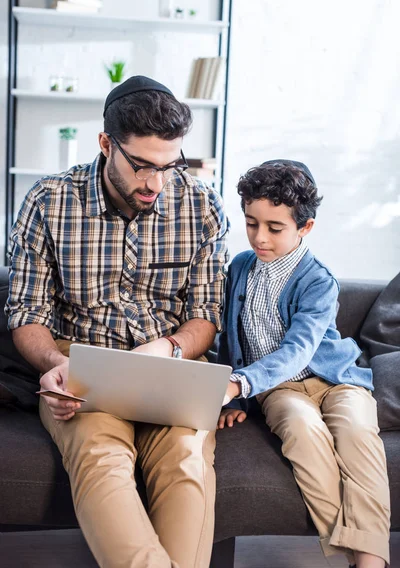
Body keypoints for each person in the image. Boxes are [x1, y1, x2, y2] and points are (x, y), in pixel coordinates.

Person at [6, 75, 229, 568]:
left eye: (169, 166)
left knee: (188, 463)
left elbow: (207, 315)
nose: (155, 183)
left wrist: (168, 348)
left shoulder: (201, 205)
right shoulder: (49, 202)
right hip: (80, 368)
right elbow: (26, 312)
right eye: (142, 166)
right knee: (102, 463)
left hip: (171, 367)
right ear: (106, 144)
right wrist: (51, 363)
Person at [217, 160, 391, 568]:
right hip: (280, 389)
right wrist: (235, 399)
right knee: (302, 431)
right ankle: (350, 549)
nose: (260, 237)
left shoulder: (317, 280)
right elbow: (229, 335)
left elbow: (298, 350)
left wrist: (239, 384)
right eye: (251, 223)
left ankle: (369, 563)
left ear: (305, 228)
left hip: (338, 379)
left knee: (358, 436)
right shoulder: (240, 267)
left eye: (274, 228)